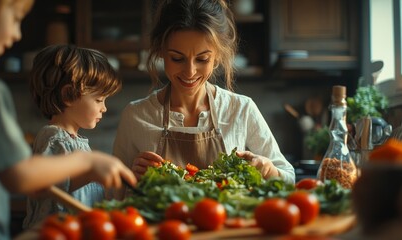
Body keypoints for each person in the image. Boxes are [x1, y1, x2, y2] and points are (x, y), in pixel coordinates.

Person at [0, 0, 136, 239]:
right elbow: (25, 178)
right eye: (16, 19)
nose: (18, 34)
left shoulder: (78, 140)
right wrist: (88, 163)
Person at [112, 0, 295, 197]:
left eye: (202, 59)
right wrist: (131, 177)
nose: (190, 71)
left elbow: (288, 179)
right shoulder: (136, 115)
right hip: (165, 227)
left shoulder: (241, 109)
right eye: (177, 58)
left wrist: (268, 169)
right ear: (160, 51)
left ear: (217, 56)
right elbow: (112, 193)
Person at [22, 44, 122, 228]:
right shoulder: (53, 136)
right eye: (99, 100)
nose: (104, 108)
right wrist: (93, 171)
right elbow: (47, 186)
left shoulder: (77, 141)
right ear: (68, 95)